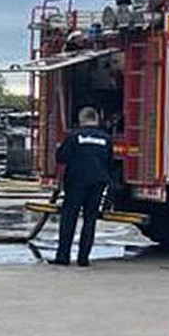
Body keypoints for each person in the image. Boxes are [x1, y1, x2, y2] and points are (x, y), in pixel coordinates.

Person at [52, 106, 114, 267]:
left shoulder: (74, 137)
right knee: (90, 220)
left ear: (81, 120)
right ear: (96, 119)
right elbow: (110, 163)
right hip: (97, 183)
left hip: (76, 182)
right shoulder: (106, 139)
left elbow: (61, 158)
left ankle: (63, 256)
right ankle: (83, 258)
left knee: (69, 218)